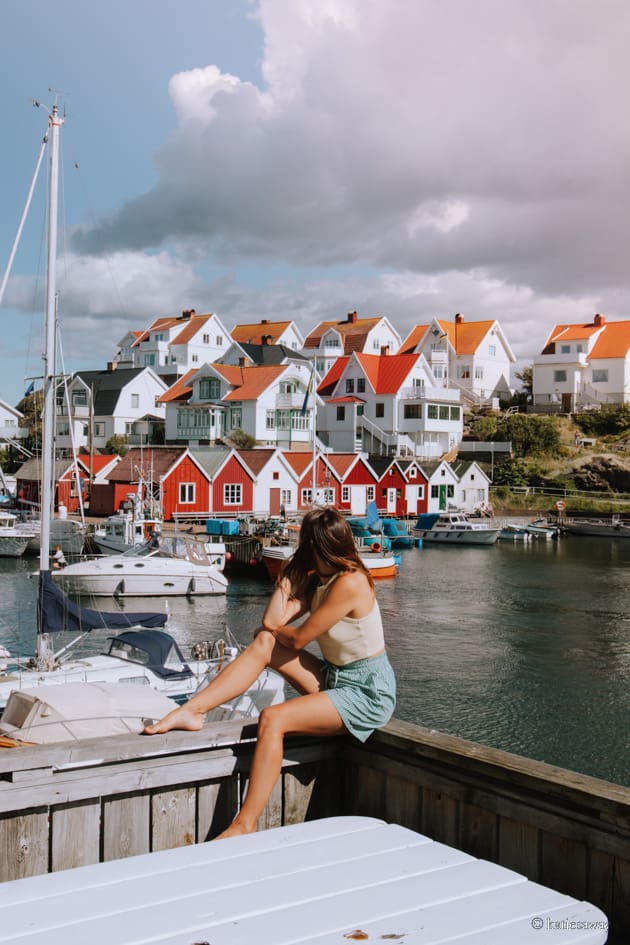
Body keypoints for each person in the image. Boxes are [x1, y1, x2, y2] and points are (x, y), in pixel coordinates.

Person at [143, 507, 396, 840]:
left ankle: (243, 825)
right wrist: (291, 574)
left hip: (366, 691)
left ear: (316, 545)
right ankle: (192, 710)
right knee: (264, 642)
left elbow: (299, 637)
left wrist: (278, 623)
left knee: (272, 719)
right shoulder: (320, 580)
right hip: (335, 678)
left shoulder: (350, 582)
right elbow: (271, 622)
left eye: (304, 542)